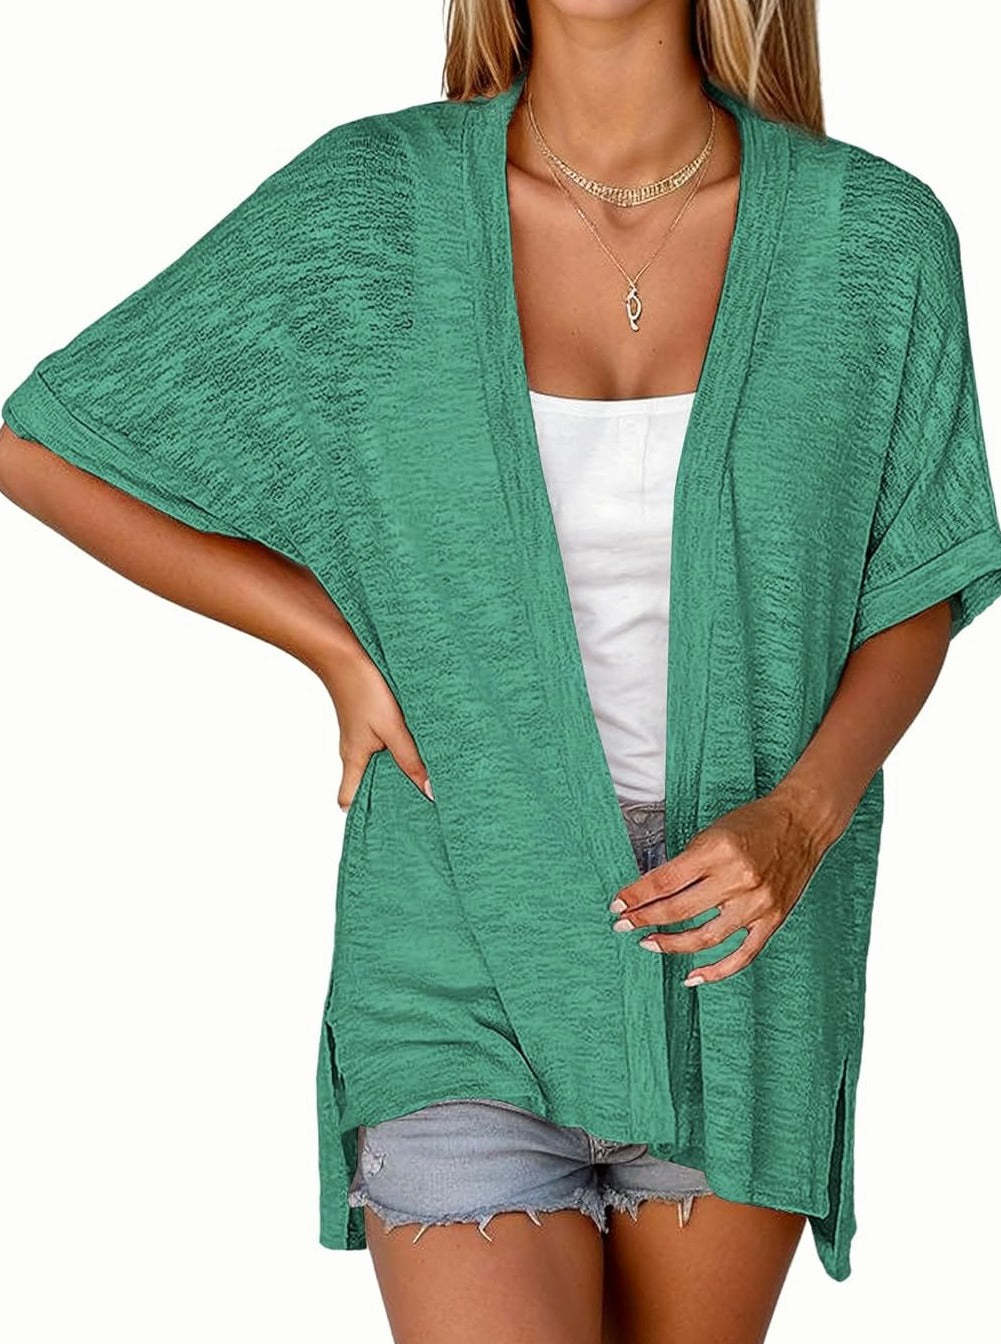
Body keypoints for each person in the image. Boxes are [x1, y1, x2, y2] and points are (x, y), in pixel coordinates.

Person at [3, 3, 1000, 1341]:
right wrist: (331, 644)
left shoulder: (871, 236)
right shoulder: (374, 208)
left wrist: (803, 815)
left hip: (737, 949)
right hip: (456, 921)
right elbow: (45, 450)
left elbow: (916, 576)